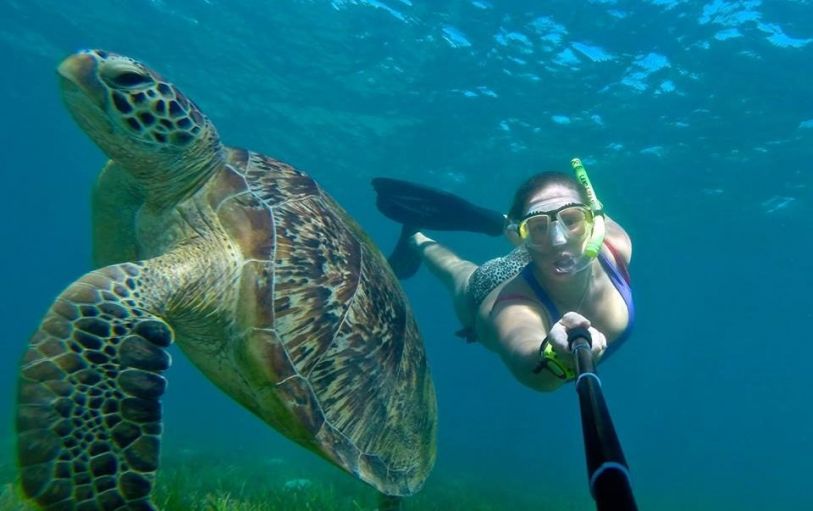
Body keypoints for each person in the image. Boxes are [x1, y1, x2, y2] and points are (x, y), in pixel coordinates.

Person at [372, 159, 634, 392]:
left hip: (537, 256)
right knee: (457, 270)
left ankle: (512, 223)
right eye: (538, 227)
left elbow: (588, 215)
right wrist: (553, 358)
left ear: (594, 224)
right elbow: (525, 355)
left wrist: (537, 226)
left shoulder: (615, 244)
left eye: (572, 219)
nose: (559, 240)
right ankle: (416, 239)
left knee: (546, 231)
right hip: (490, 287)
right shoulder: (513, 304)